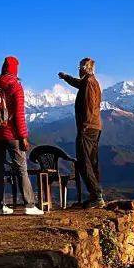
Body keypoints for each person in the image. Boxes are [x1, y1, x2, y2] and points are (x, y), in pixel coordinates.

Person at [0, 56, 43, 216]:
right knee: (21, 168)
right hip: (11, 135)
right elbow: (19, 114)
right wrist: (23, 136)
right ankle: (29, 205)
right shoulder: (15, 86)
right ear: (15, 70)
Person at [58, 57, 105, 208]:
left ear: (86, 69)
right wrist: (66, 78)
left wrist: (84, 125)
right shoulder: (89, 82)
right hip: (94, 127)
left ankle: (96, 196)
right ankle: (95, 196)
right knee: (91, 162)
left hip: (88, 128)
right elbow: (78, 84)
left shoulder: (89, 83)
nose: (78, 69)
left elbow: (90, 106)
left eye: (81, 67)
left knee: (84, 162)